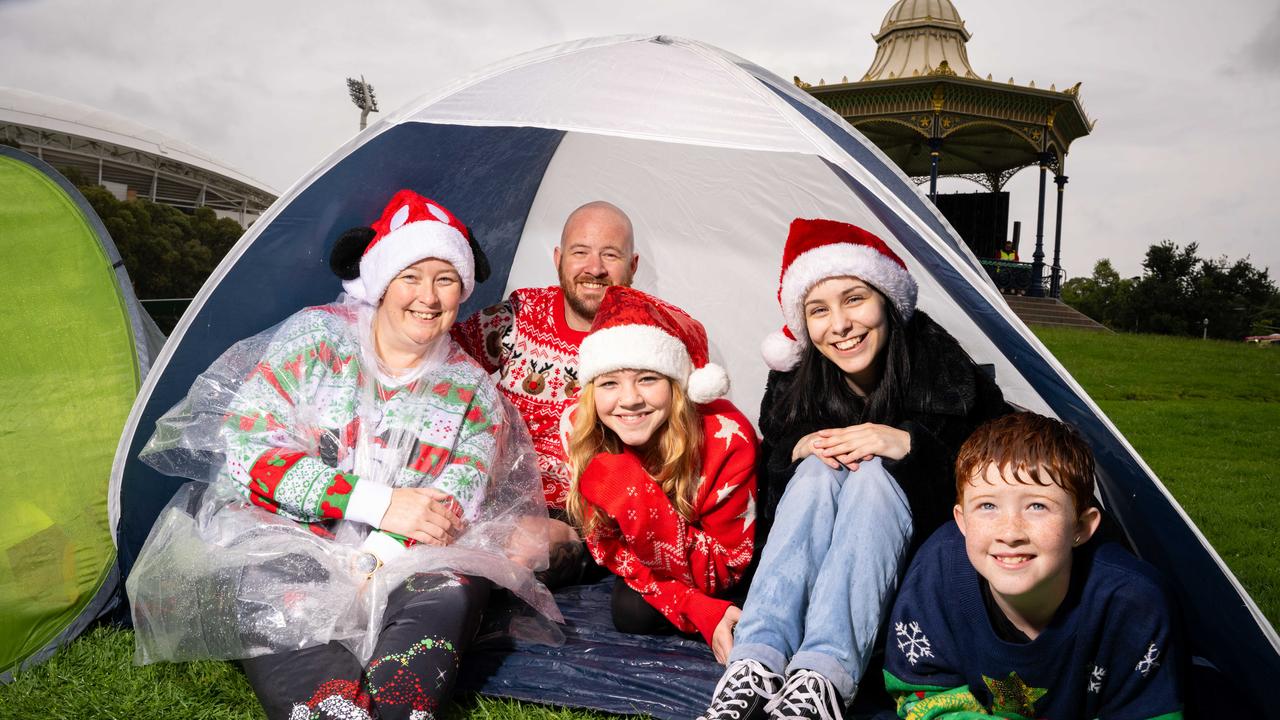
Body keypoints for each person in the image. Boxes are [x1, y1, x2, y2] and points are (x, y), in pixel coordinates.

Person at [126, 190, 558, 720]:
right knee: (274, 590)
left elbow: (457, 495)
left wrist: (375, 557)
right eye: (410, 276)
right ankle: (334, 707)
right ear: (379, 281)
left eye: (445, 279)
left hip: (401, 555)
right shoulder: (317, 339)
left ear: (463, 290)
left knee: (452, 592)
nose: (428, 295)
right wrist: (378, 502)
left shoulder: (469, 387)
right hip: (280, 537)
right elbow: (250, 447)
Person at [699, 218, 1009, 720]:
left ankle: (822, 678)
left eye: (854, 300)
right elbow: (775, 488)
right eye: (819, 310)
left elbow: (998, 467)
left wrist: (910, 443)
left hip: (915, 557)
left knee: (872, 477)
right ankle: (755, 663)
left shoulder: (941, 368)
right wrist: (793, 455)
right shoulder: (794, 384)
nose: (839, 325)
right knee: (818, 473)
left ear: (886, 301)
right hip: (816, 560)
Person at [884, 412, 1184, 719]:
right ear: (961, 521)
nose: (1010, 532)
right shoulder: (939, 569)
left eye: (1037, 506)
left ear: (1081, 526)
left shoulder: (1132, 602)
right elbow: (922, 692)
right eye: (988, 506)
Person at [562, 287, 757, 662]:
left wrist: (635, 495)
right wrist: (693, 607)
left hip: (722, 557)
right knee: (630, 612)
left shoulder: (727, 436)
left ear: (676, 386)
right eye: (609, 383)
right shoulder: (582, 430)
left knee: (637, 608)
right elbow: (610, 550)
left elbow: (723, 571)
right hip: (659, 562)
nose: (630, 398)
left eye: (648, 379)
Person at [452, 200, 638, 585]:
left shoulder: (650, 338)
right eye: (580, 252)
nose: (595, 268)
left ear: (632, 266)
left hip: (587, 516)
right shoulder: (520, 315)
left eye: (610, 254)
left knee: (520, 553)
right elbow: (442, 361)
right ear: (558, 258)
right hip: (497, 499)